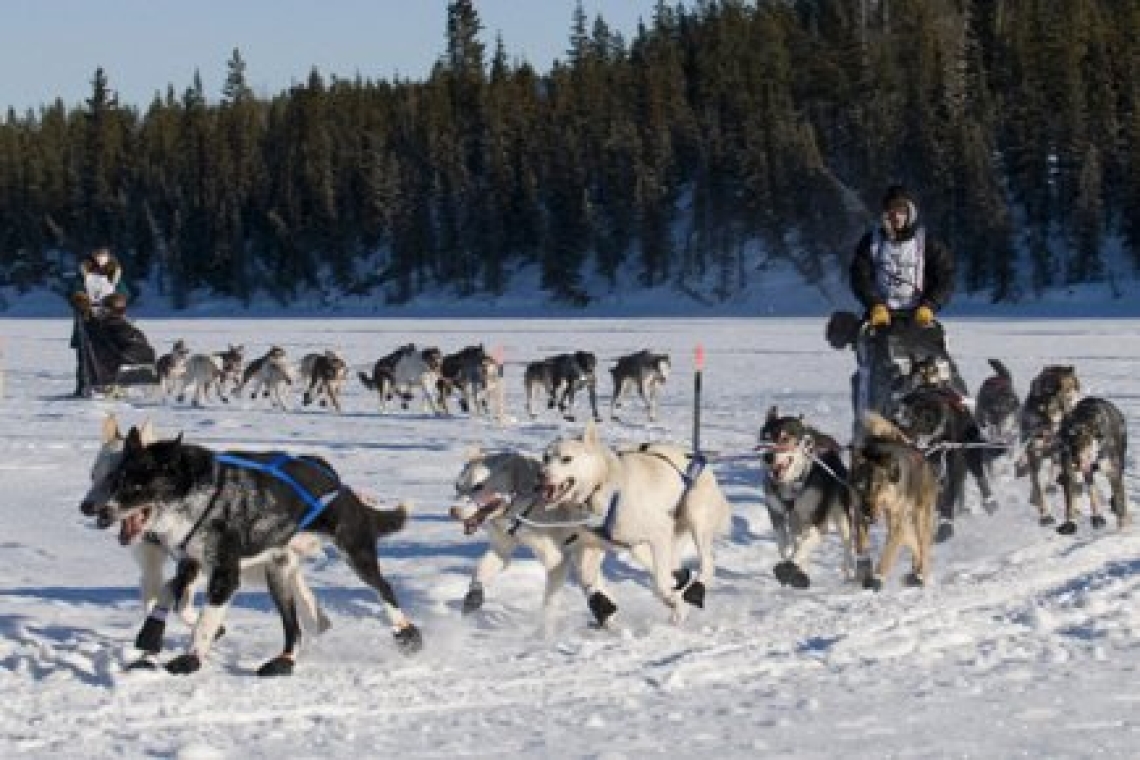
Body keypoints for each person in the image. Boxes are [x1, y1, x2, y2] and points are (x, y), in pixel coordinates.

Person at [847, 185, 964, 429]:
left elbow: (946, 275)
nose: (895, 216)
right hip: (882, 320)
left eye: (901, 210)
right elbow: (860, 276)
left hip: (919, 317)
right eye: (891, 211)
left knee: (943, 367)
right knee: (878, 374)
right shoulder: (872, 242)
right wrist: (874, 304)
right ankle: (871, 425)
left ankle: (965, 418)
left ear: (910, 213)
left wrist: (931, 304)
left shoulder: (926, 243)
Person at [70, 246, 125, 397]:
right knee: (85, 354)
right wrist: (81, 299)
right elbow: (74, 290)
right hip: (87, 318)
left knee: (111, 354)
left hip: (110, 318)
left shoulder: (114, 272)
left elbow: (124, 291)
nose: (101, 258)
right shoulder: (84, 271)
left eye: (103, 255)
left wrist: (118, 301)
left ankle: (111, 386)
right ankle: (83, 386)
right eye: (98, 255)